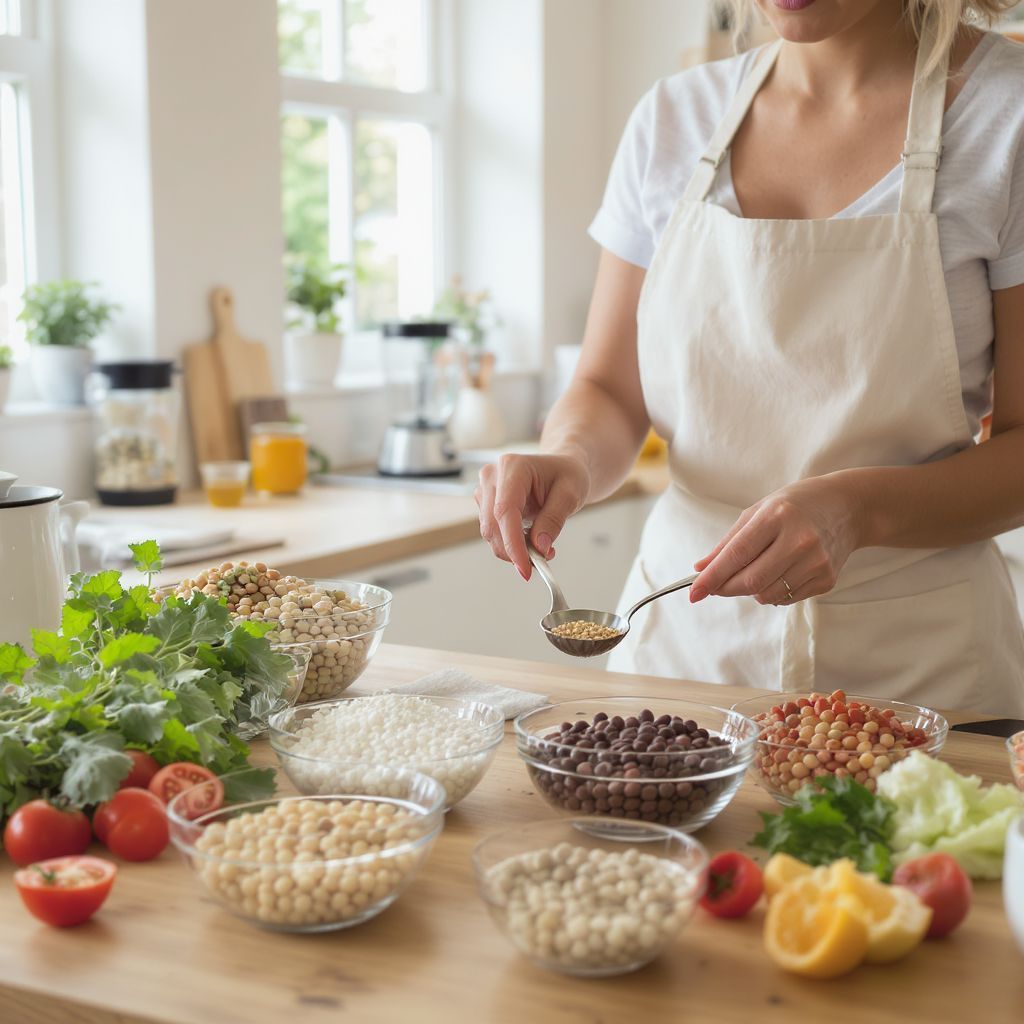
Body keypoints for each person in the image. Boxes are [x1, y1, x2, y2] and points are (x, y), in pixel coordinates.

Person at [474, 0, 1024, 715]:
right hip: (681, 661)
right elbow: (609, 387)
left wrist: (859, 511)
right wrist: (570, 459)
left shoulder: (1005, 116)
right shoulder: (673, 117)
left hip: (919, 678)